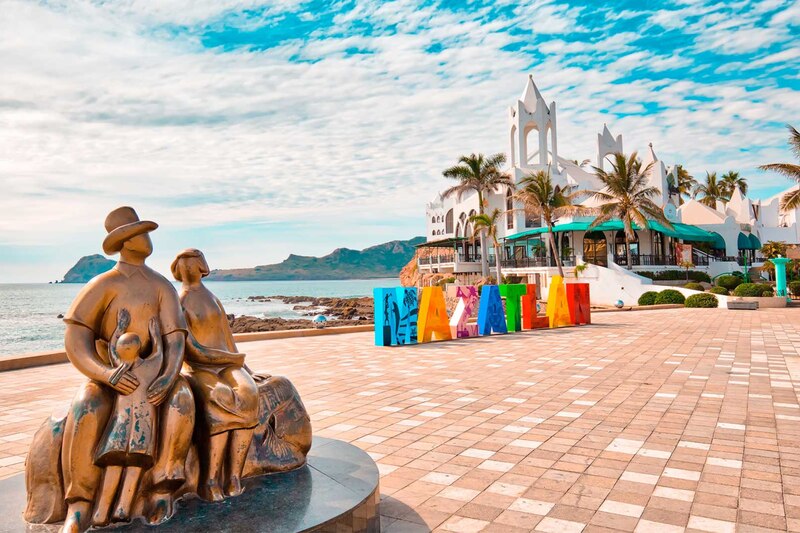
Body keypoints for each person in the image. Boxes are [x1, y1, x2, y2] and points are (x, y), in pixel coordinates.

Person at [60, 207, 195, 533]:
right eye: (140, 233)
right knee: (86, 405)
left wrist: (167, 375)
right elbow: (76, 339)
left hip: (153, 375)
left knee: (182, 399)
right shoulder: (102, 284)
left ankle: (163, 488)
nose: (147, 239)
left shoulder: (161, 285)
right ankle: (79, 503)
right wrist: (104, 374)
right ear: (126, 240)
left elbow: (175, 339)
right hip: (112, 375)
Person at [170, 249, 260, 501]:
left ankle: (234, 476)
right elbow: (191, 349)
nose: (189, 267)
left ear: (202, 267)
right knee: (219, 396)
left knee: (249, 393)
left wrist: (246, 369)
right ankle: (209, 480)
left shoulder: (212, 298)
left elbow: (228, 339)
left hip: (227, 364)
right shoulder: (178, 301)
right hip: (200, 368)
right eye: (185, 263)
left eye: (193, 262)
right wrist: (230, 359)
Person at [91, 318, 163, 525]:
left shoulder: (118, 367)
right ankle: (118, 508)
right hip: (138, 425)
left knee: (119, 464)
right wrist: (156, 334)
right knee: (131, 465)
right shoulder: (149, 365)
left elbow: (113, 349)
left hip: (125, 426)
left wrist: (119, 329)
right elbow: (160, 352)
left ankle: (104, 510)